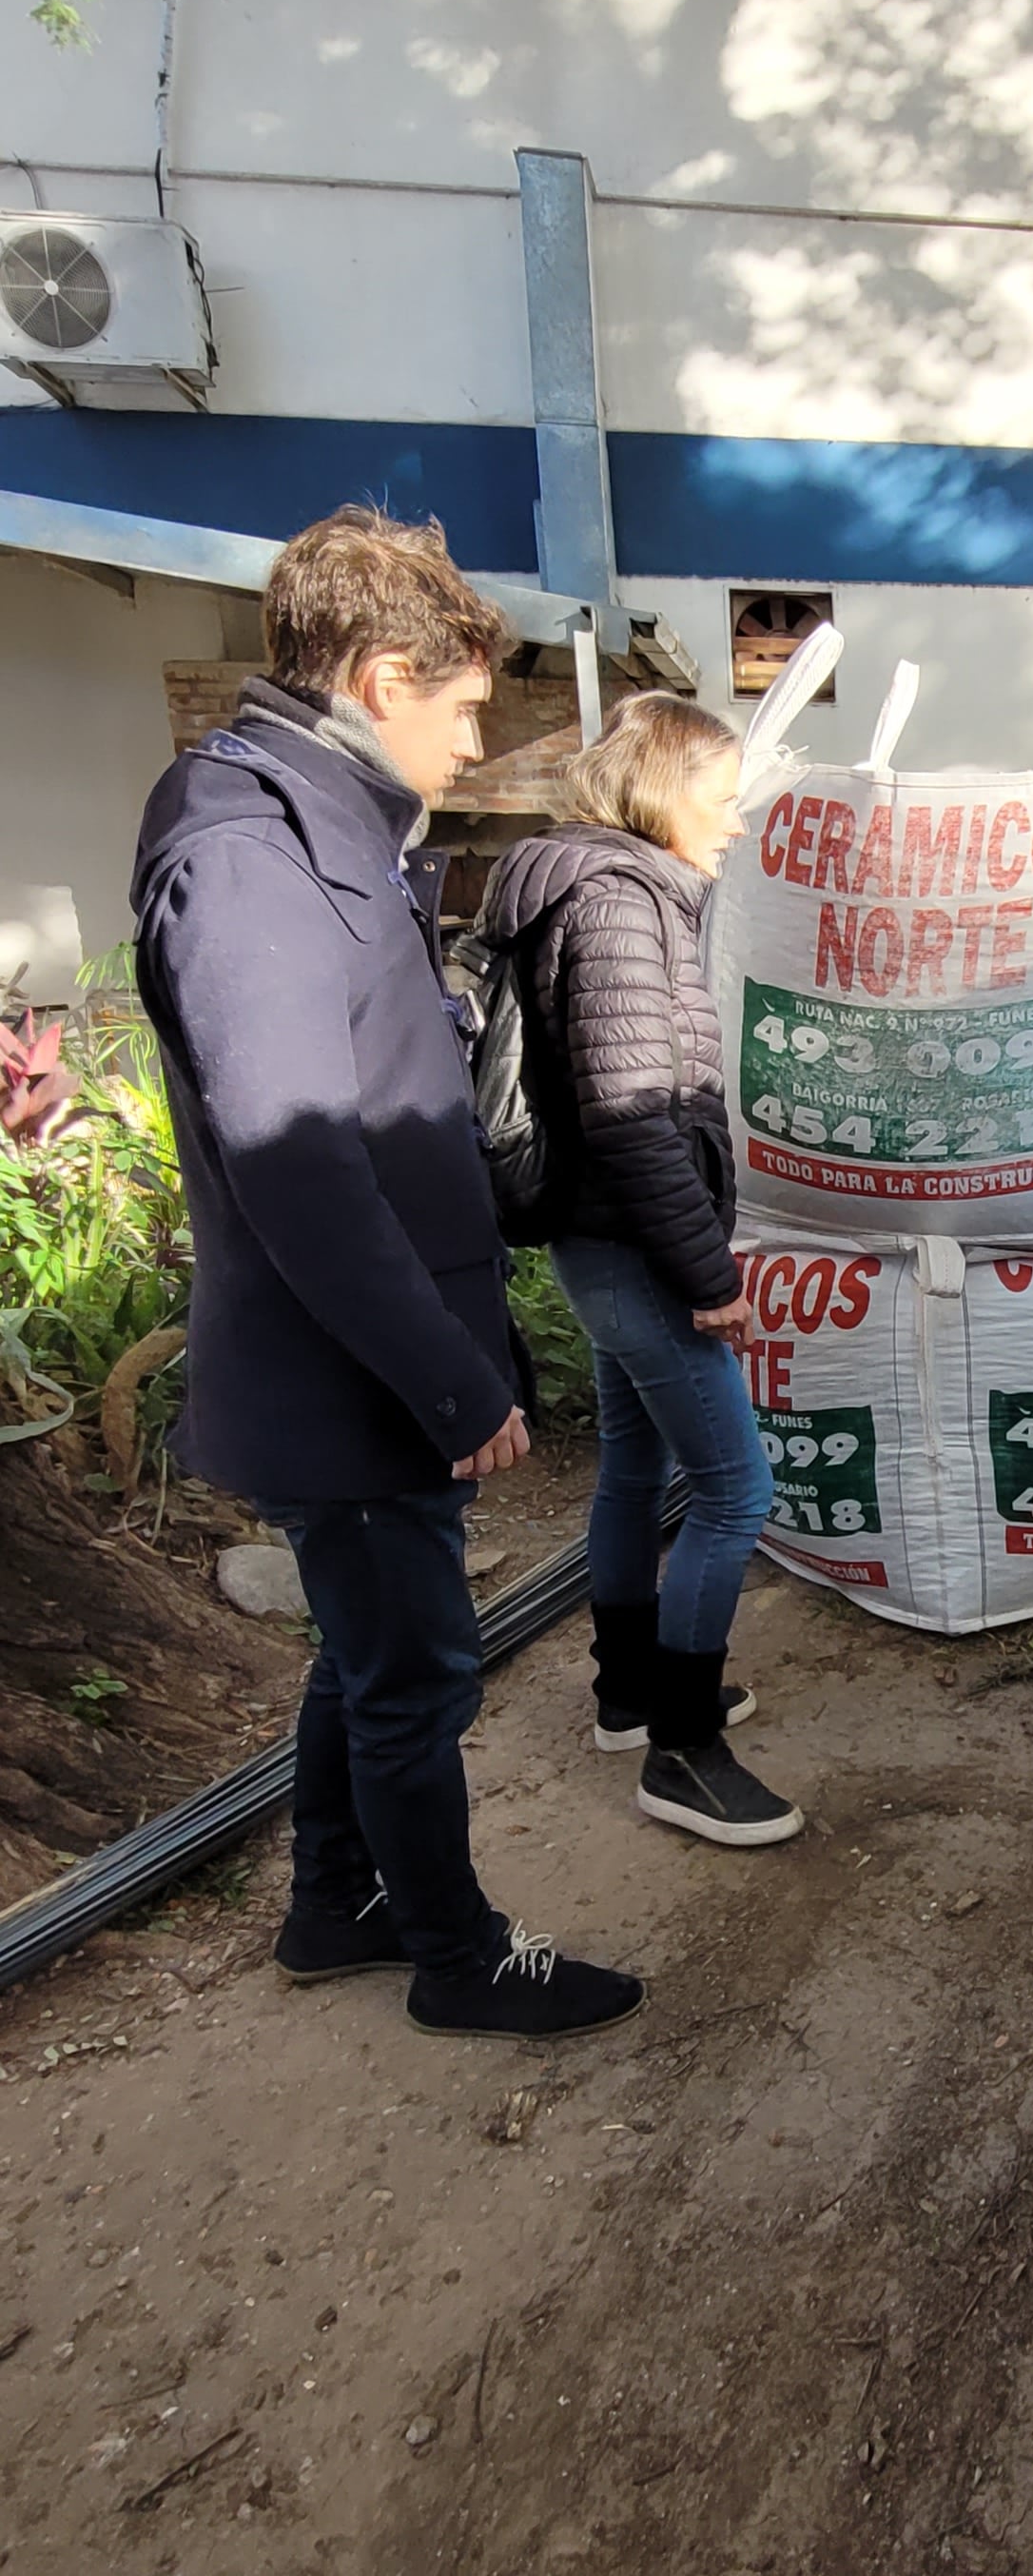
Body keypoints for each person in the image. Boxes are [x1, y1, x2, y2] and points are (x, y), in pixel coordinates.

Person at [130, 508, 643, 2040]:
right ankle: (454, 1955)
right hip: (347, 1373)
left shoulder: (315, 822)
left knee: (366, 1661)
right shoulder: (245, 849)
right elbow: (295, 1157)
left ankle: (326, 1904)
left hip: (363, 1362)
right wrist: (446, 1375)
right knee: (417, 1674)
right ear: (381, 670)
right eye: (467, 701)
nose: (476, 737)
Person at [484, 696, 803, 1848]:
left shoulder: (578, 882)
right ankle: (683, 1752)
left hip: (598, 1238)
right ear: (664, 789)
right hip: (634, 1244)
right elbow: (631, 1116)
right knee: (735, 1491)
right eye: (721, 796)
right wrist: (708, 1272)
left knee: (632, 1460)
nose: (733, 819)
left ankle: (630, 1690)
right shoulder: (620, 901)